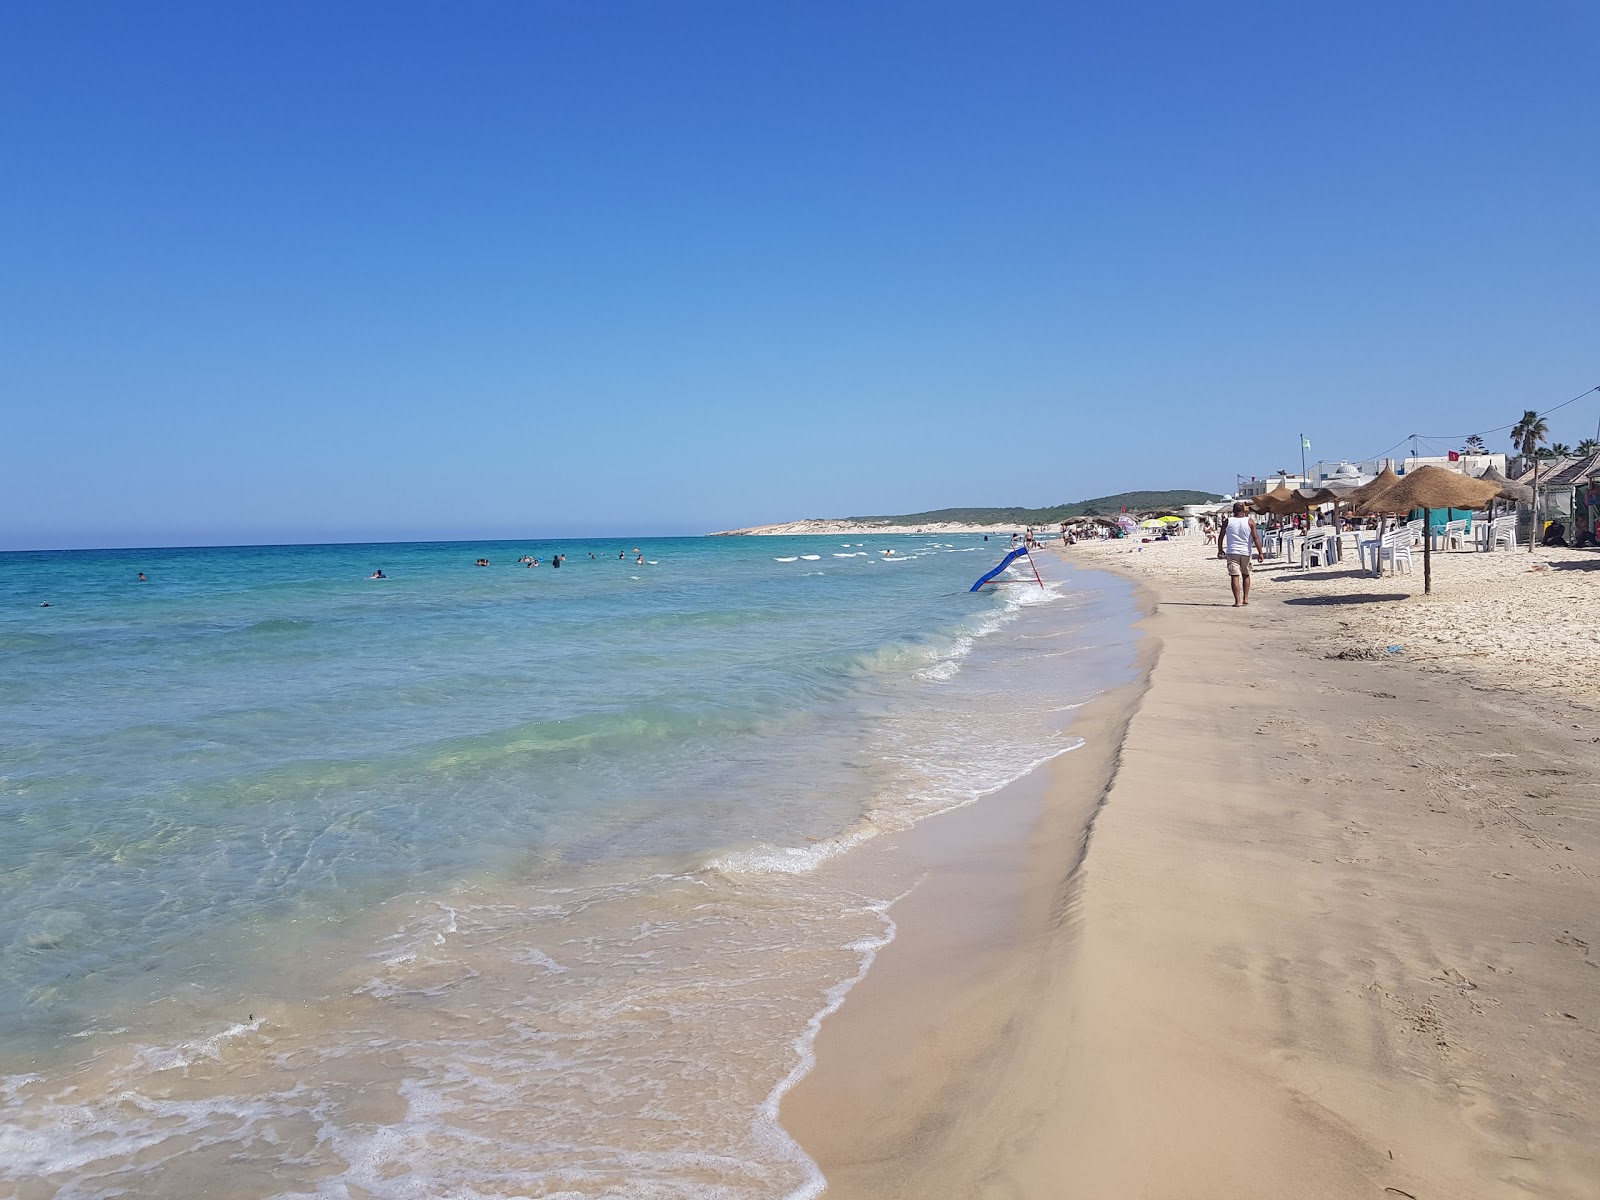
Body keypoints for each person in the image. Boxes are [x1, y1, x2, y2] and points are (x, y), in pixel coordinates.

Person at [1217, 502, 1265, 607]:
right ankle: (1246, 598)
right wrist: (1260, 553)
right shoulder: (1250, 521)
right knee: (1246, 575)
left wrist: (1220, 550)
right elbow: (1256, 537)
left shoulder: (1227, 521)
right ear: (1244, 510)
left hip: (1232, 551)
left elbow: (1221, 537)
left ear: (1233, 511)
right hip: (1246, 552)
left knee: (1234, 576)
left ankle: (1237, 601)